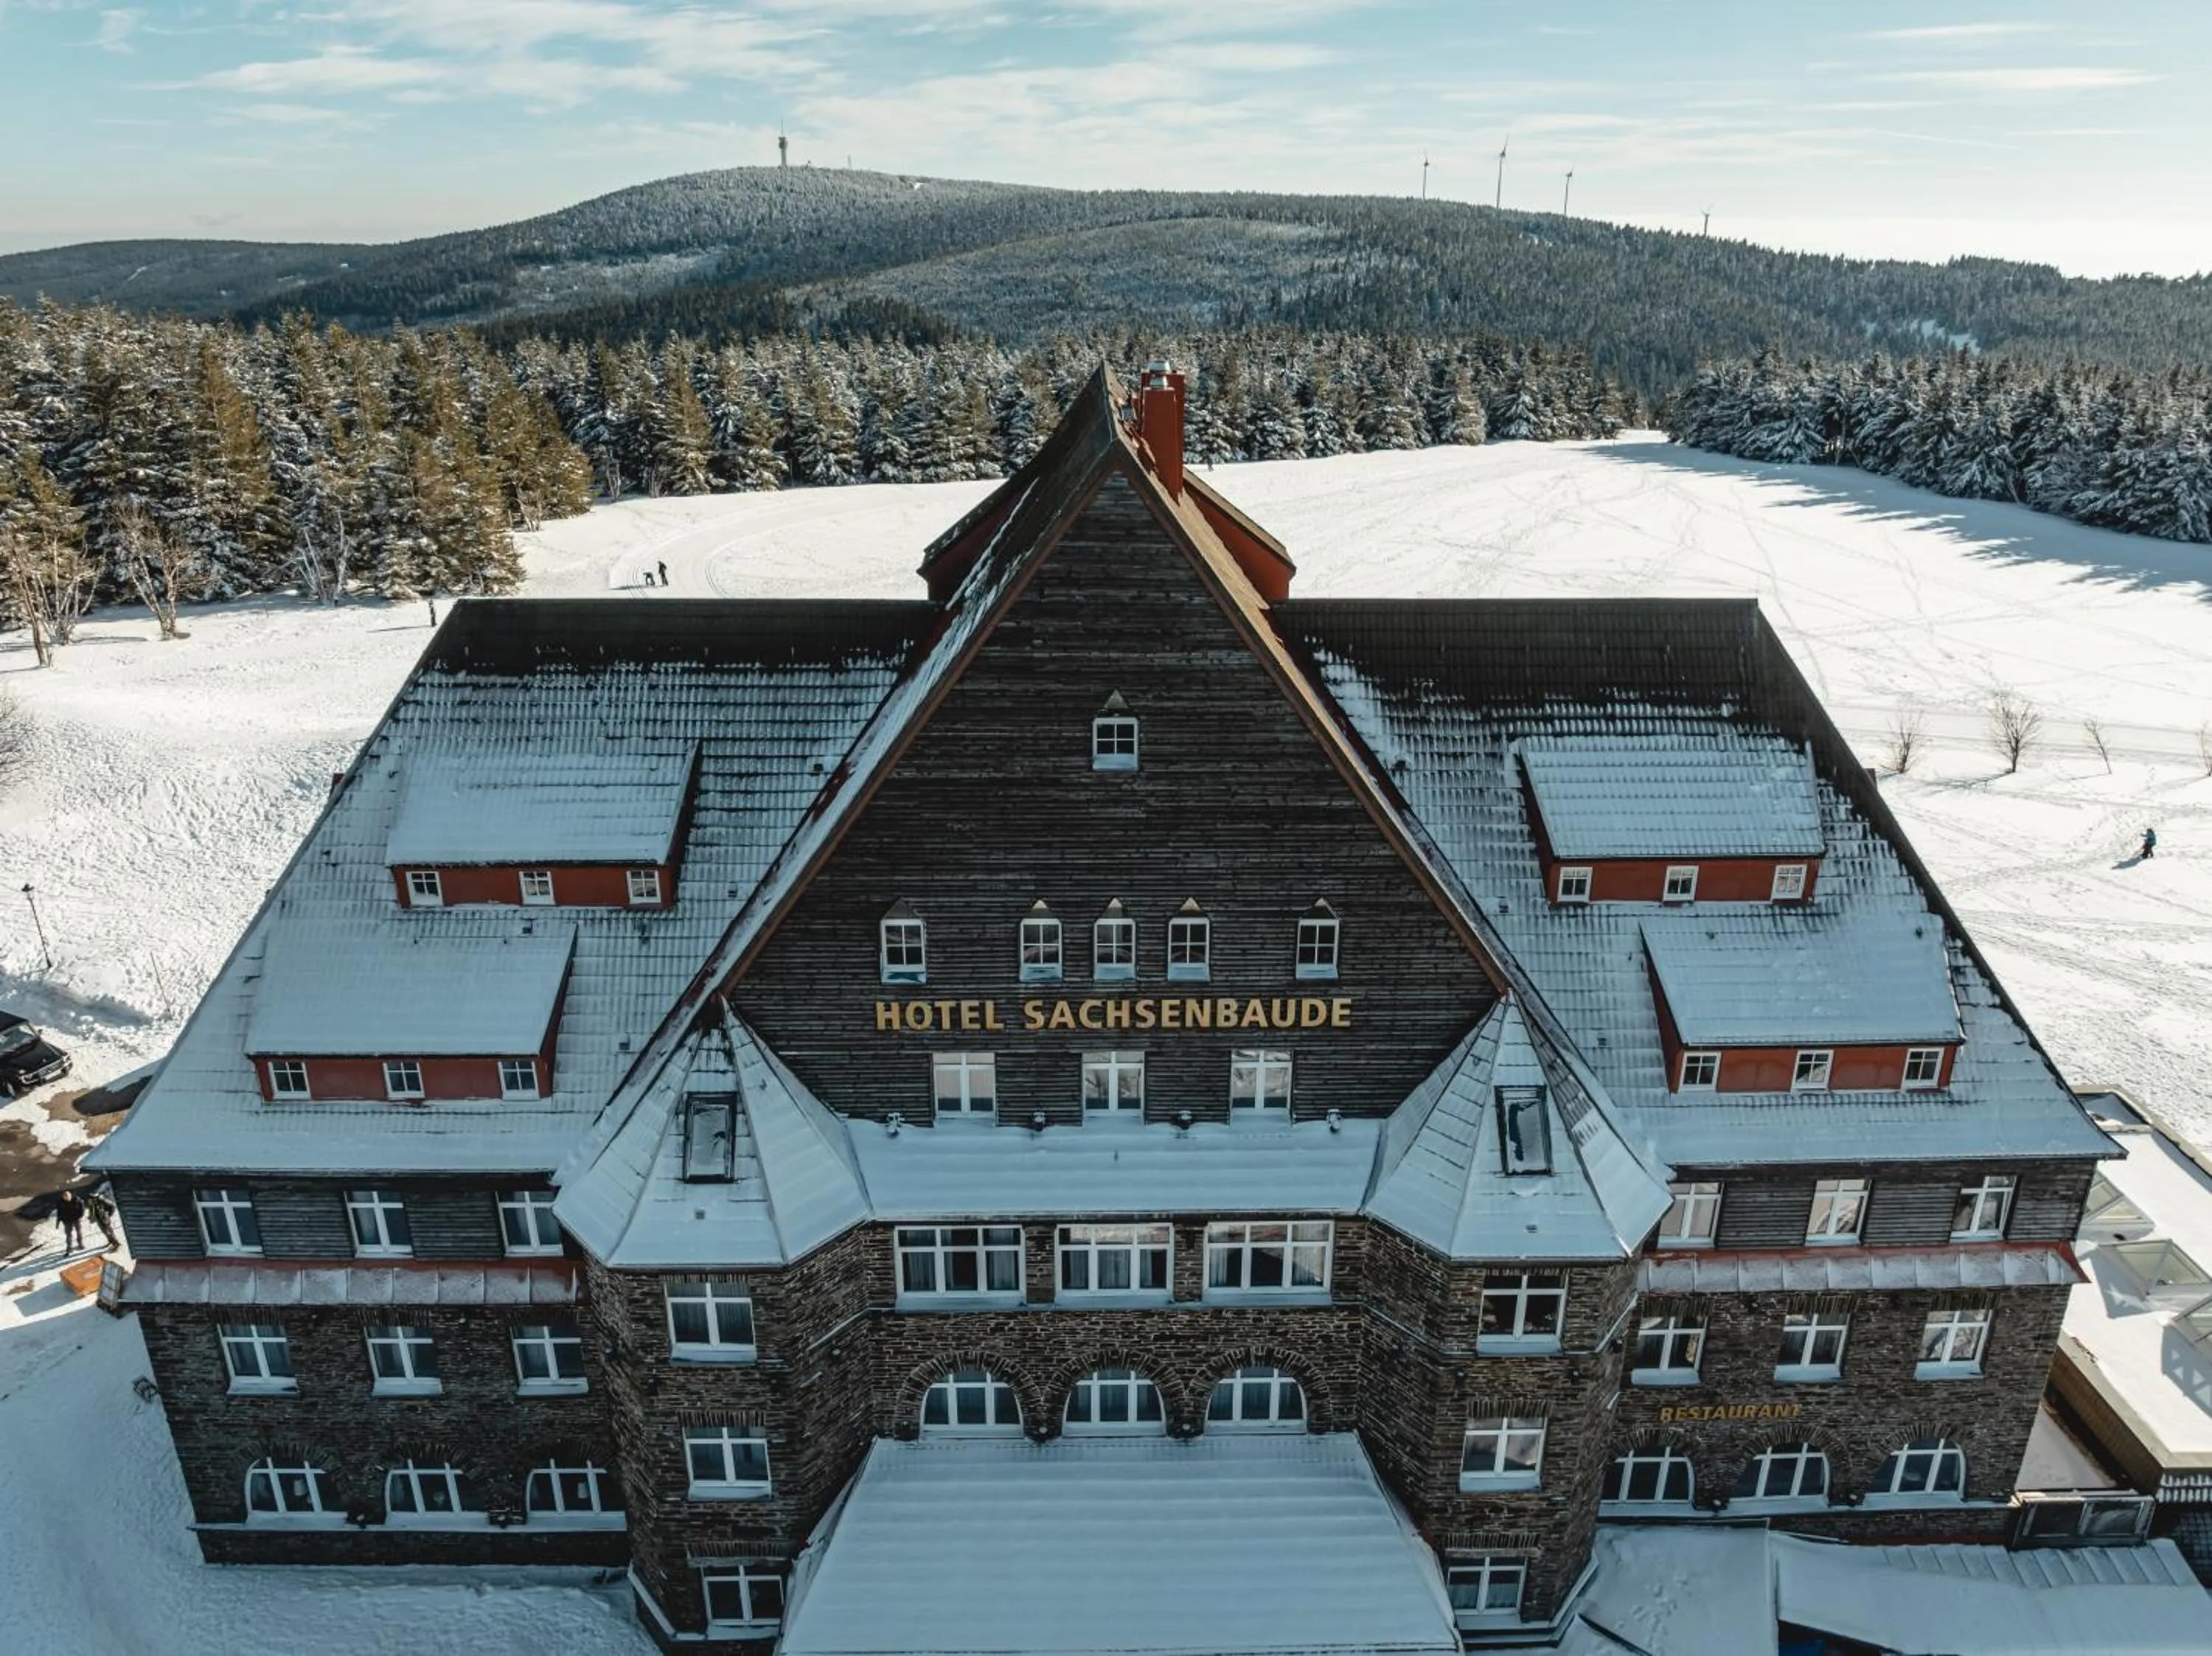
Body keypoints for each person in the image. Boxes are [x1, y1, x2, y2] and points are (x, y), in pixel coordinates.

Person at [55, 1187, 85, 1255]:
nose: (67, 1199)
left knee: (79, 1231)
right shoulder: (60, 1203)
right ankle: (69, 1247)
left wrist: (81, 1216)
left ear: (70, 1196)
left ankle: (80, 1243)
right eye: (65, 1198)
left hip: (76, 1219)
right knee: (68, 1234)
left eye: (68, 1198)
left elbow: (82, 1206)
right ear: (63, 1198)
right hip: (67, 1221)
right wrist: (59, 1221)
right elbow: (59, 1213)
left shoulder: (77, 1200)